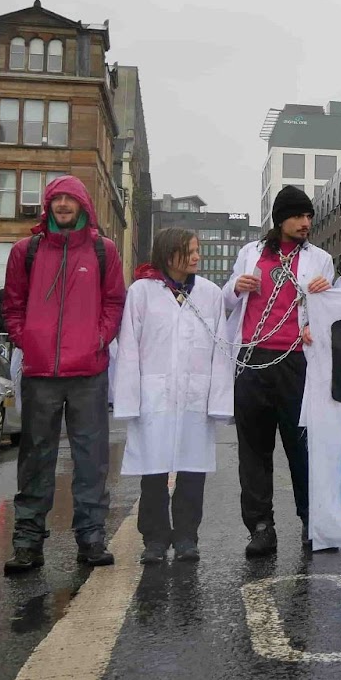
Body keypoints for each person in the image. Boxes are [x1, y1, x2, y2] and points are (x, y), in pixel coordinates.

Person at [2, 175, 126, 573]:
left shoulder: (104, 252)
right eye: (57, 199)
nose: (63, 206)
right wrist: (26, 340)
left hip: (88, 371)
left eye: (70, 199)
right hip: (40, 371)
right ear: (48, 205)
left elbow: (114, 303)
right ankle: (27, 542)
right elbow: (13, 303)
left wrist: (99, 338)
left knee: (91, 460)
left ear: (83, 205)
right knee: (35, 458)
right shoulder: (27, 251)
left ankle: (90, 538)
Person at [224, 185, 335, 556]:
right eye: (298, 217)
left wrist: (327, 291)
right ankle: (260, 526)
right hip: (253, 358)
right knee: (254, 449)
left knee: (302, 446)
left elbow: (331, 310)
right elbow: (225, 302)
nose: (306, 223)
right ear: (281, 219)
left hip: (296, 360)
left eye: (309, 217)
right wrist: (236, 287)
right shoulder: (250, 254)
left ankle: (310, 521)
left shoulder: (320, 258)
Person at [114, 228, 235, 564]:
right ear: (169, 255)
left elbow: (221, 350)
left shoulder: (210, 294)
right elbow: (129, 348)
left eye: (198, 250)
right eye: (190, 251)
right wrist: (128, 399)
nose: (197, 257)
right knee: (153, 471)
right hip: (154, 396)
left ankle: (186, 537)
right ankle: (154, 540)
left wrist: (219, 401)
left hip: (195, 396)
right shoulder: (142, 292)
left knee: (192, 471)